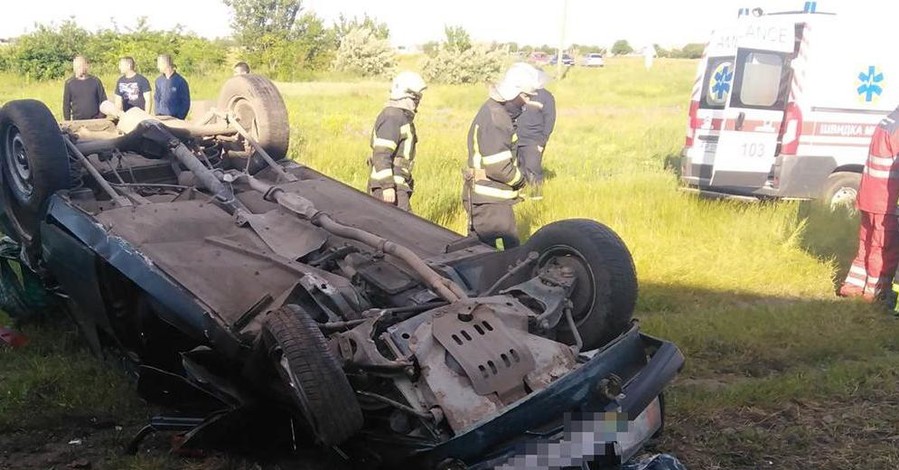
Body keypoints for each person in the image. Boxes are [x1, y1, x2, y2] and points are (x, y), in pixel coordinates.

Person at [463, 63, 540, 249]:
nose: (527, 102)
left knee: (480, 252)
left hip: (489, 200)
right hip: (491, 201)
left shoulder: (497, 112)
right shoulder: (496, 119)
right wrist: (521, 180)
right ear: (512, 93)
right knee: (507, 256)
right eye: (525, 96)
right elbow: (498, 167)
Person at [839, 105, 899, 303]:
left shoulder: (889, 120)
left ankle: (854, 285)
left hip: (869, 194)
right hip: (886, 200)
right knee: (882, 248)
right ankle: (876, 292)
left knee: (867, 243)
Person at [367, 71, 427, 212]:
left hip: (398, 185)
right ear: (406, 94)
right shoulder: (392, 116)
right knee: (403, 229)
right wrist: (388, 187)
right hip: (389, 187)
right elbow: (382, 154)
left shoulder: (400, 117)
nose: (417, 101)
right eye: (415, 97)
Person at [515, 67, 555, 199]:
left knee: (533, 169)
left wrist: (541, 142)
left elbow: (549, 120)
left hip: (533, 141)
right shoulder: (519, 94)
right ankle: (520, 196)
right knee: (518, 170)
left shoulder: (546, 97)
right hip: (516, 138)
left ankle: (536, 198)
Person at [62, 55, 107, 120]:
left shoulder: (96, 81)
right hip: (78, 121)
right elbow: (66, 105)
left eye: (79, 66)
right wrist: (67, 121)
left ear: (85, 66)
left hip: (96, 120)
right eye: (76, 67)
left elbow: (103, 101)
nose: (77, 69)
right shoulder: (69, 83)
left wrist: (100, 117)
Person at [154, 54, 191, 119]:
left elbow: (185, 102)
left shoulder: (181, 81)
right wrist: (157, 113)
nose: (157, 67)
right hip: (161, 117)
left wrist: (179, 117)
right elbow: (157, 98)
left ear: (165, 64)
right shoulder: (158, 81)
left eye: (159, 64)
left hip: (175, 118)